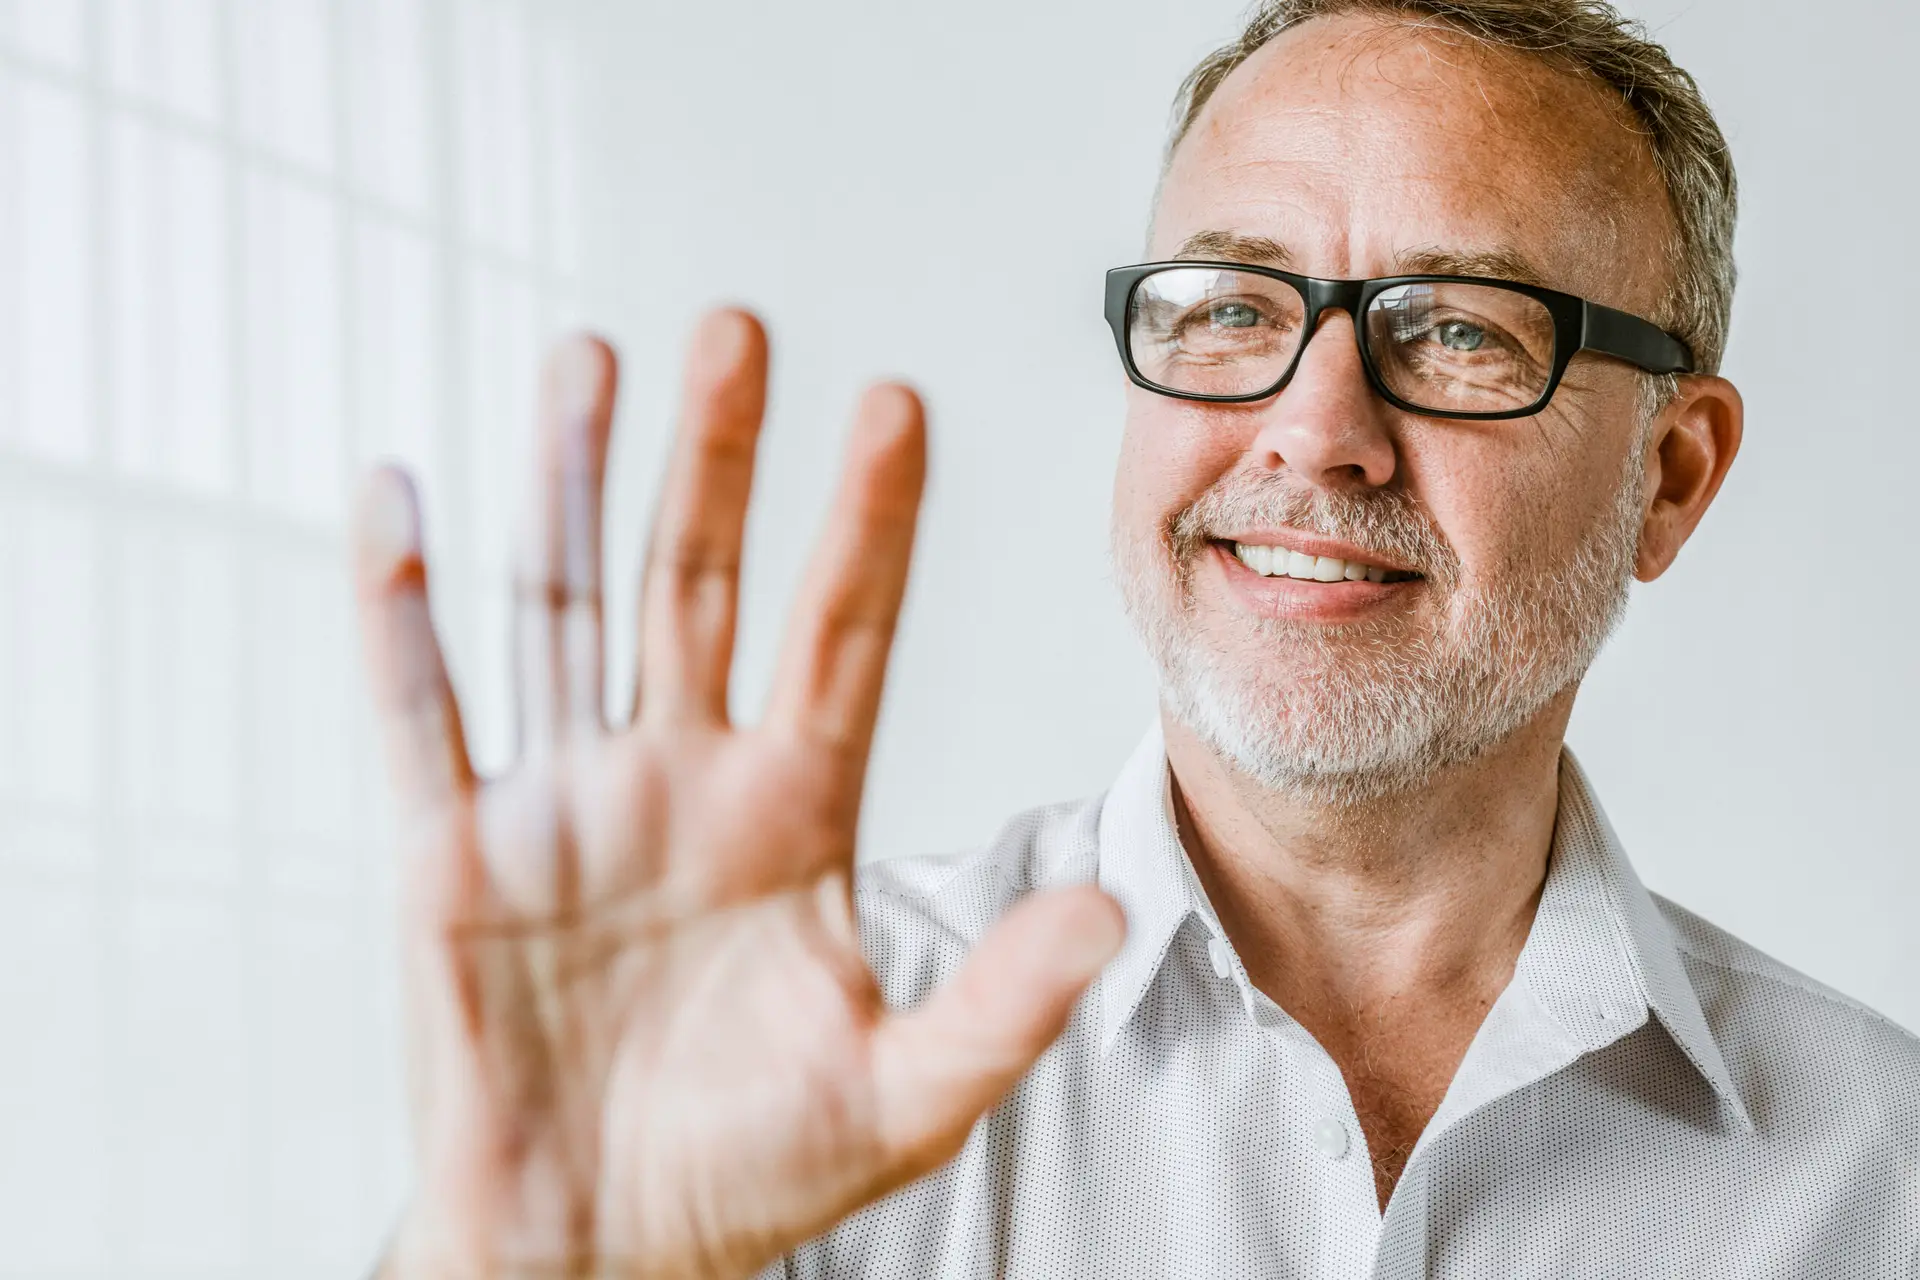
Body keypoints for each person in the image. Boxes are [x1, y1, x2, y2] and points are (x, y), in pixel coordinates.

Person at [356, 1, 1920, 1276]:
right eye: (1232, 309)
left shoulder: (1881, 1173)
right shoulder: (771, 1064)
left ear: (1672, 473)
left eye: (1456, 328)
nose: (1317, 435)